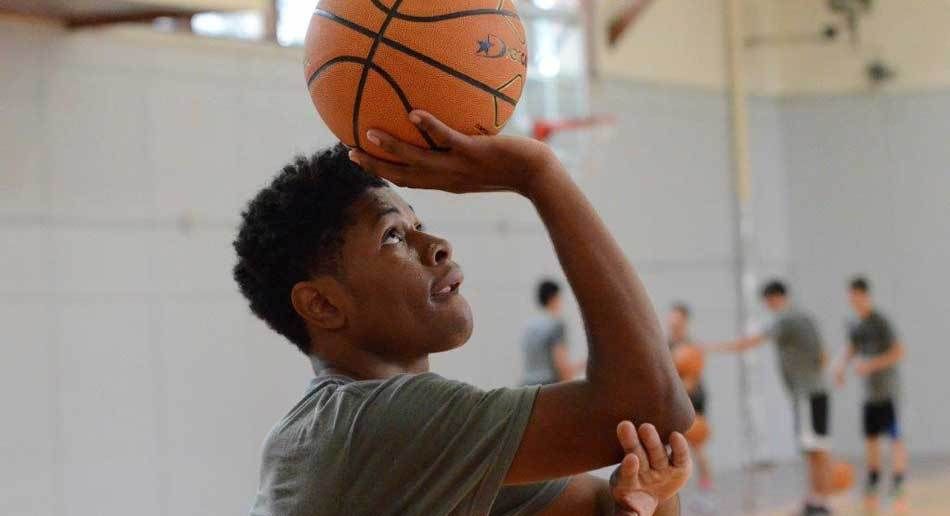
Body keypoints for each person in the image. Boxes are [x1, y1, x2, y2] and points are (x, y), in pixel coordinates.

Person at [235, 111, 695, 515]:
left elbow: (601, 508)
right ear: (323, 304)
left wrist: (650, 498)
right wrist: (537, 173)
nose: (436, 246)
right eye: (393, 236)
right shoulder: (372, 427)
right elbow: (652, 407)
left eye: (419, 225)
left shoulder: (397, 437)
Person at [705, 280, 833, 516]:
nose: (767, 306)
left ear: (775, 297)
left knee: (817, 449)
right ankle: (816, 499)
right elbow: (824, 356)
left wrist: (712, 348)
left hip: (806, 394)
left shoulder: (786, 319)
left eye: (767, 301)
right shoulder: (805, 317)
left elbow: (751, 342)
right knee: (816, 447)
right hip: (816, 390)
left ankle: (822, 501)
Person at [834, 276, 907, 511]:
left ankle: (898, 481)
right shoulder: (857, 324)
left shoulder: (880, 322)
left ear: (865, 295)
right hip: (869, 393)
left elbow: (898, 352)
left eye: (856, 295)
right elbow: (852, 348)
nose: (852, 300)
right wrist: (841, 368)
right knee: (871, 438)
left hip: (887, 390)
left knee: (894, 438)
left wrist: (872, 364)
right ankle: (874, 479)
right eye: (850, 296)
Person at [667, 302, 713, 492]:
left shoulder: (692, 346)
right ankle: (670, 492)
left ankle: (706, 488)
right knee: (669, 447)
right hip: (673, 401)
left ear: (684, 320)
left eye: (676, 316)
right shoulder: (665, 344)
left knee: (697, 445)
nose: (672, 320)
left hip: (692, 400)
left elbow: (691, 380)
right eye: (671, 316)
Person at [521, 279, 585, 385]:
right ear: (553, 298)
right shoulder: (556, 325)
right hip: (547, 388)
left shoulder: (528, 326)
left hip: (526, 387)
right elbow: (562, 368)